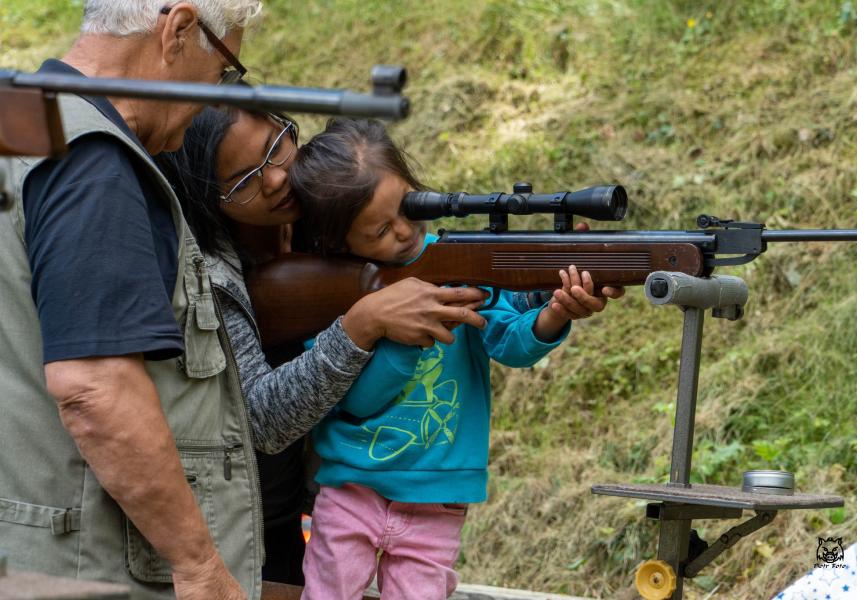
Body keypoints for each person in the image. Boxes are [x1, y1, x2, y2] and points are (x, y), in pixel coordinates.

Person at [291, 118, 625, 600]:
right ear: (337, 242)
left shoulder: (457, 262)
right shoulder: (327, 290)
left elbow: (508, 340)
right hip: (351, 488)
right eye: (381, 229)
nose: (405, 233)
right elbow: (358, 402)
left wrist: (552, 315)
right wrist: (402, 333)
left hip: (439, 493)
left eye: (409, 208)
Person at [155, 106, 491, 585]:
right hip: (252, 515)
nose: (275, 178)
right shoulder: (206, 269)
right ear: (208, 196)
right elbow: (262, 419)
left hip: (345, 492)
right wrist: (362, 325)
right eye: (244, 178)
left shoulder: (348, 199)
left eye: (275, 146)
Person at [0, 3, 265, 599]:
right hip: (87, 567)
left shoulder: (17, 120)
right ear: (178, 31)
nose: (214, 100)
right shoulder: (94, 160)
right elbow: (95, 389)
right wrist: (198, 565)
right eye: (224, 70)